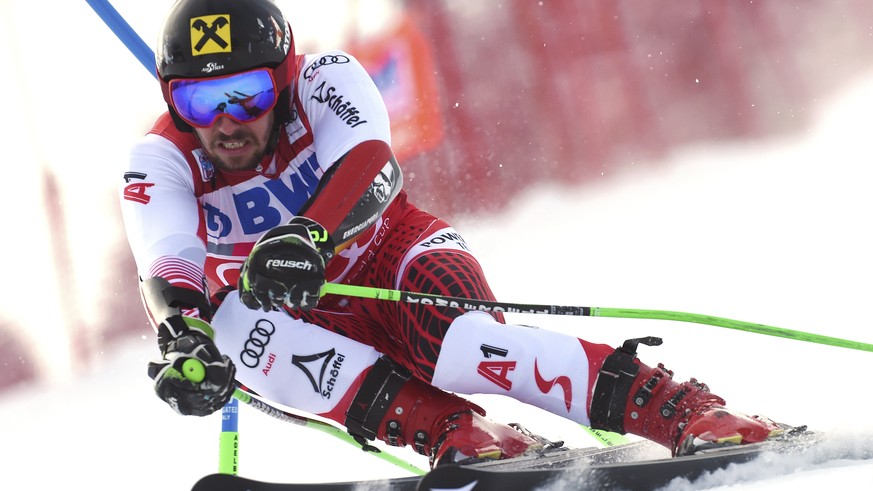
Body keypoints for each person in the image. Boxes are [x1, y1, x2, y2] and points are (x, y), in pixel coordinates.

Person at [120, 0, 785, 468]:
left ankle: (680, 409)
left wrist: (307, 236)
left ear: (285, 76)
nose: (228, 122)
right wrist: (184, 339)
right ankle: (457, 430)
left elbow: (371, 165)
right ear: (172, 100)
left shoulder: (327, 82)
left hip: (394, 259)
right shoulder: (161, 158)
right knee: (230, 322)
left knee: (462, 347)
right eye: (201, 102)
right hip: (304, 319)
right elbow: (167, 263)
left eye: (249, 95)